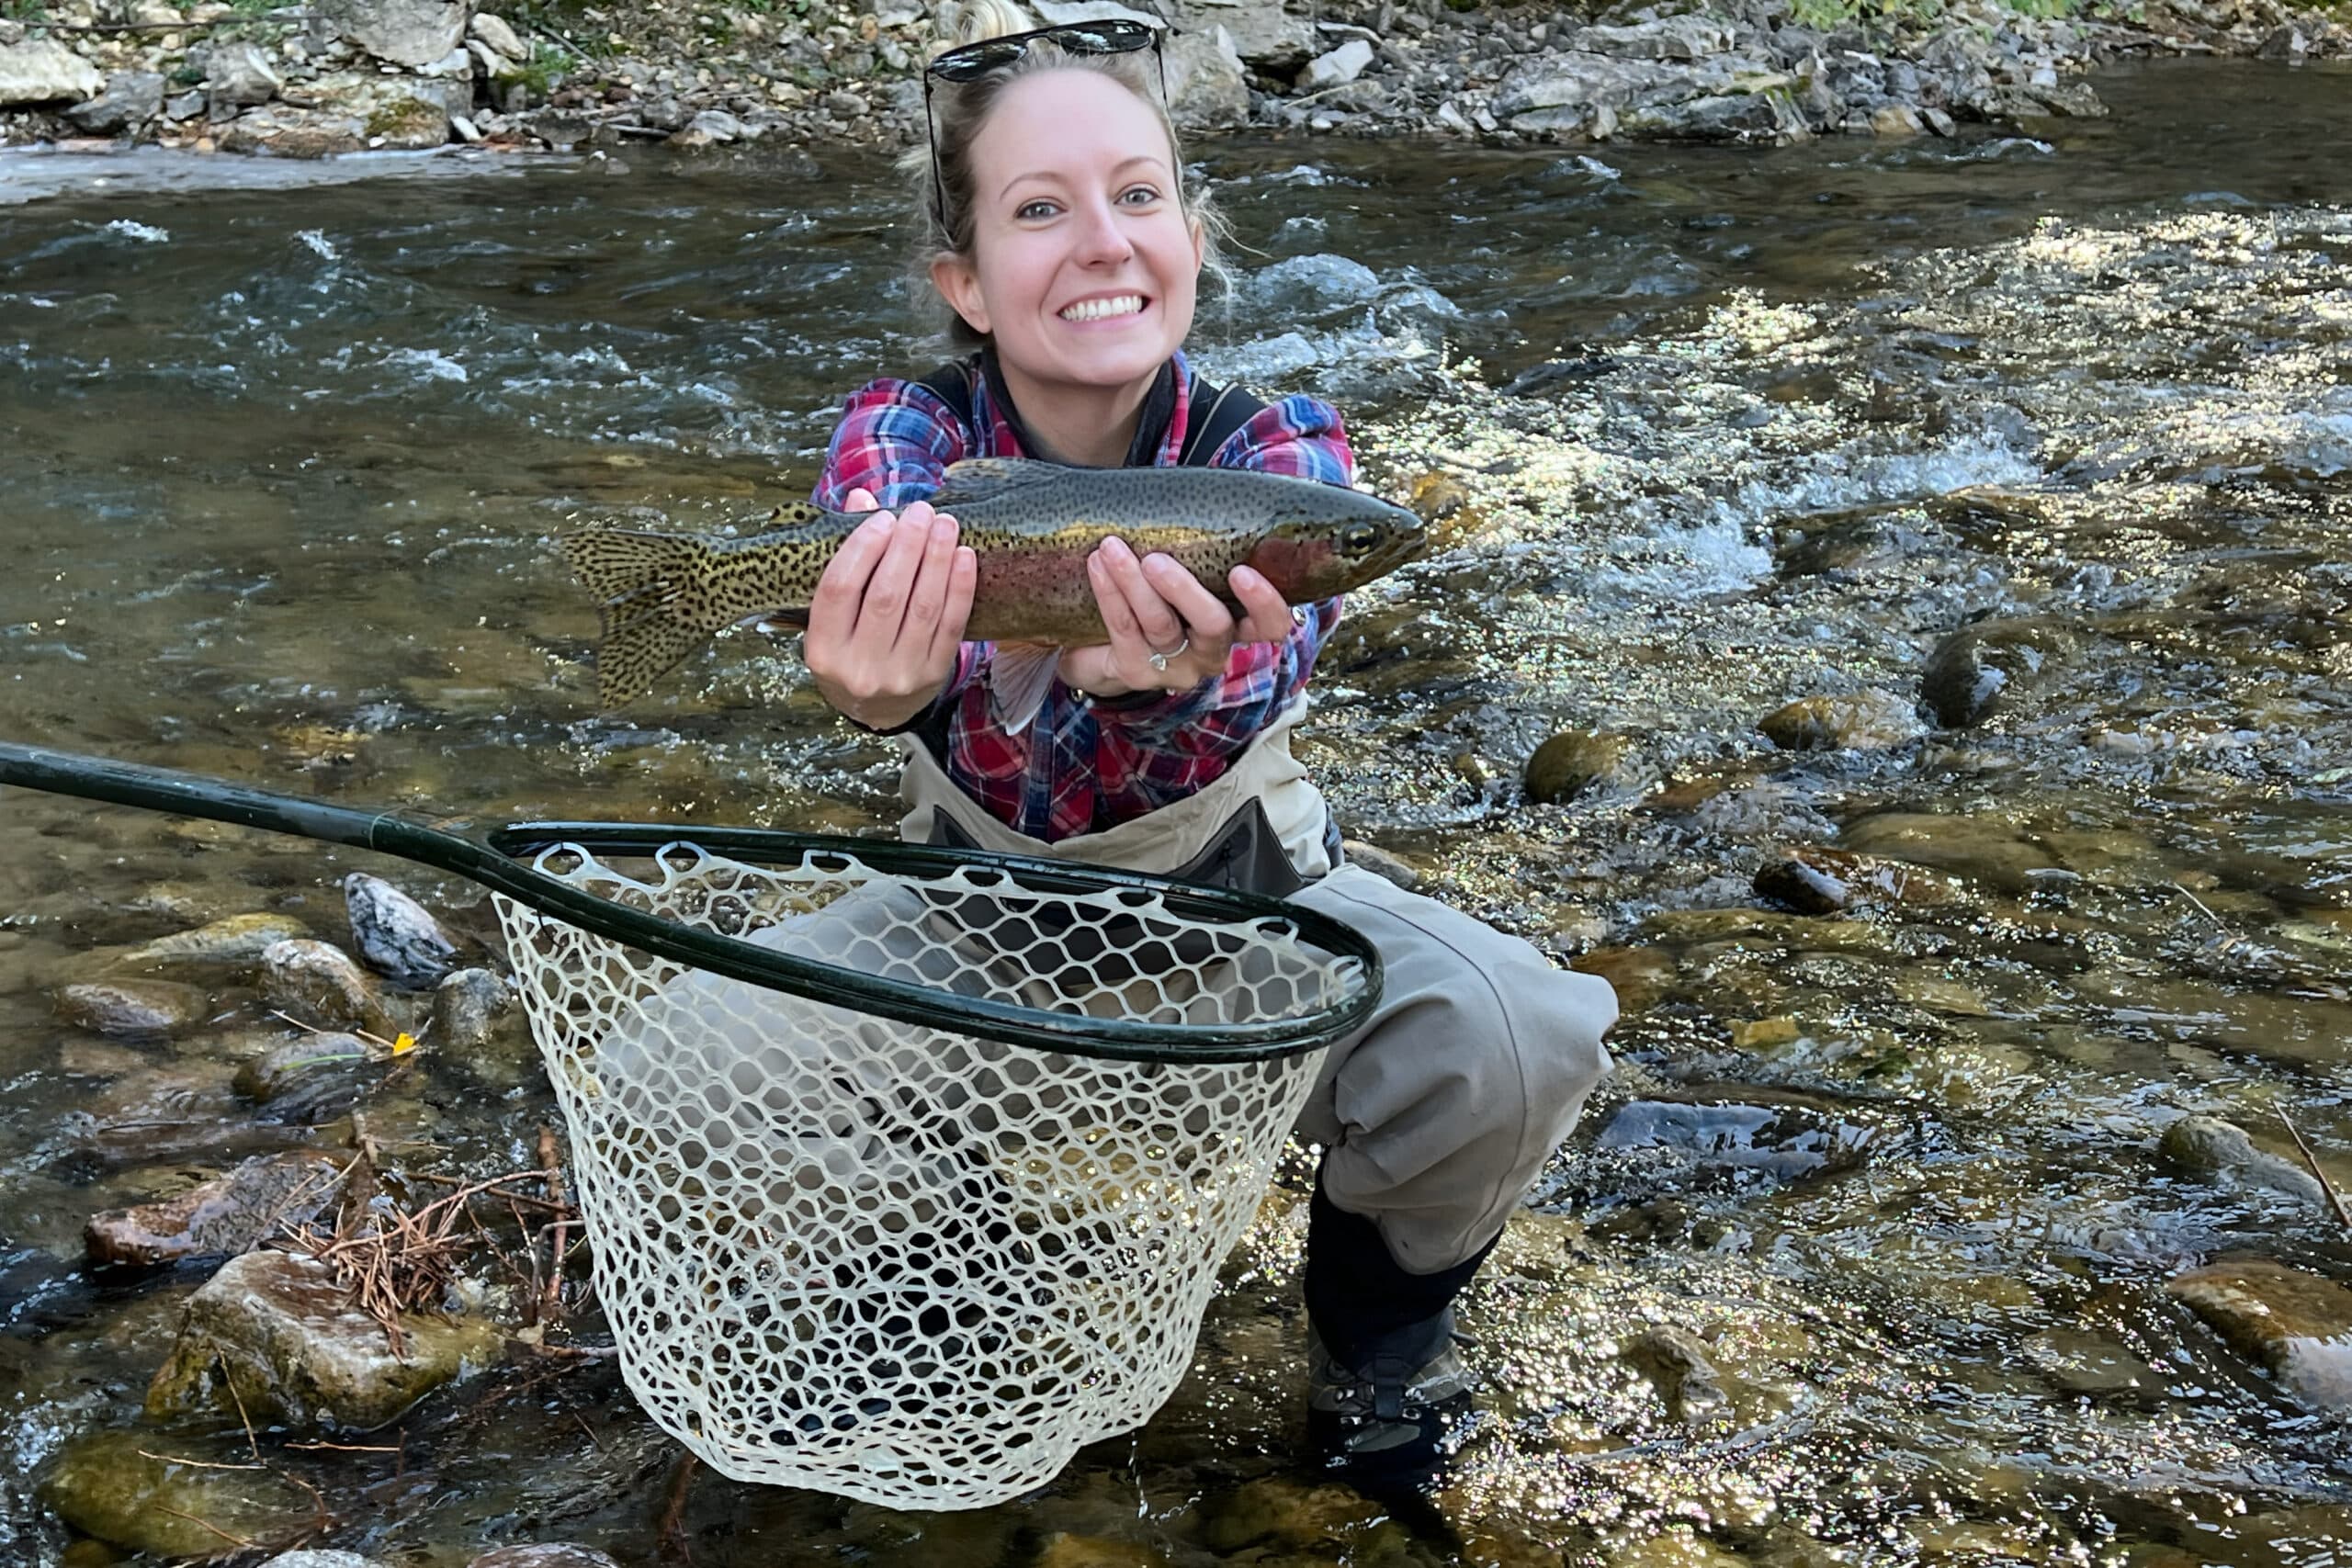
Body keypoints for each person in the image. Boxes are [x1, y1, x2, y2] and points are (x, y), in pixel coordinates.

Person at [798, 0, 1617, 1490]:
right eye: (1039, 210)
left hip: (1247, 918)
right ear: (963, 282)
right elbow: (864, 548)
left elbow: (1277, 650)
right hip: (960, 929)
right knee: (682, 1063)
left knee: (1522, 1034)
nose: (1102, 241)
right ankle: (928, 1299)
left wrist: (1163, 689)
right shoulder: (901, 435)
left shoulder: (1283, 448)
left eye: (1139, 194)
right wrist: (877, 688)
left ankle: (1378, 1348)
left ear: (1191, 234)